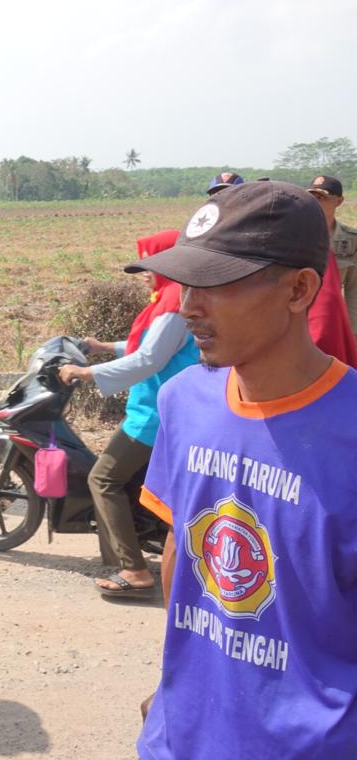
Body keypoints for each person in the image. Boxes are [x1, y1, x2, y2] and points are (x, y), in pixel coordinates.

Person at [127, 181, 357, 758]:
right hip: (182, 734)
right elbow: (182, 545)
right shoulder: (184, 401)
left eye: (217, 284)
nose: (188, 306)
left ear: (300, 289)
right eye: (186, 283)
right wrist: (175, 680)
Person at [58, 230, 199, 597]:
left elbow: (150, 358)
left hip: (157, 415)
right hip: (155, 408)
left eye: (151, 266)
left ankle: (135, 571)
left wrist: (87, 373)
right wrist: (103, 346)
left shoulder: (173, 303)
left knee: (102, 479)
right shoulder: (169, 297)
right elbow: (148, 346)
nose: (147, 275)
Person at [307, 175, 357, 345]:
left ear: (339, 201)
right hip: (300, 320)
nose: (315, 202)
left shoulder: (350, 240)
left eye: (322, 197)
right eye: (312, 197)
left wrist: (352, 334)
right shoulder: (294, 235)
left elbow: (354, 290)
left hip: (331, 319)